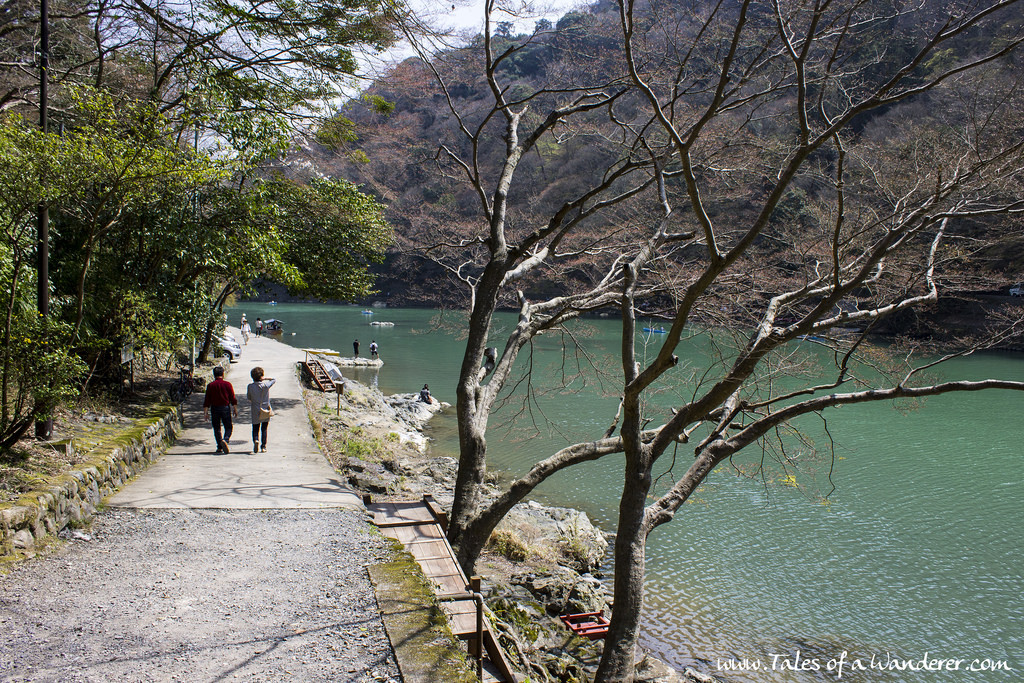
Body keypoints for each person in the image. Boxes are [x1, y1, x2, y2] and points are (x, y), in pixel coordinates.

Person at [203, 366, 237, 453]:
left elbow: (207, 400)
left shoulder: (210, 386)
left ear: (214, 375)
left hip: (214, 408)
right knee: (228, 426)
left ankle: (219, 446)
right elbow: (232, 398)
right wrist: (235, 409)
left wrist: (206, 413)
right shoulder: (227, 384)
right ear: (223, 374)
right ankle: (225, 439)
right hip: (225, 408)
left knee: (217, 428)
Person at [246, 366, 276, 453]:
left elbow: (249, 397)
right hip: (265, 408)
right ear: (261, 376)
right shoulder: (266, 386)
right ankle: (263, 447)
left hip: (255, 409)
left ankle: (256, 440)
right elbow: (274, 379)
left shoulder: (250, 386)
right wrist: (265, 378)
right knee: (264, 428)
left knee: (255, 427)